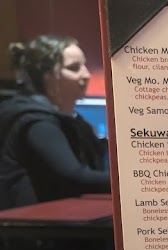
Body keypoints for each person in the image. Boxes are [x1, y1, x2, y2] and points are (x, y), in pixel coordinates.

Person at [0, 35, 108, 210]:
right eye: (74, 68)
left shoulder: (77, 123)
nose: (86, 75)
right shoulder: (36, 122)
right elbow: (75, 178)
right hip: (36, 224)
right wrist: (132, 181)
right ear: (47, 76)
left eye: (84, 65)